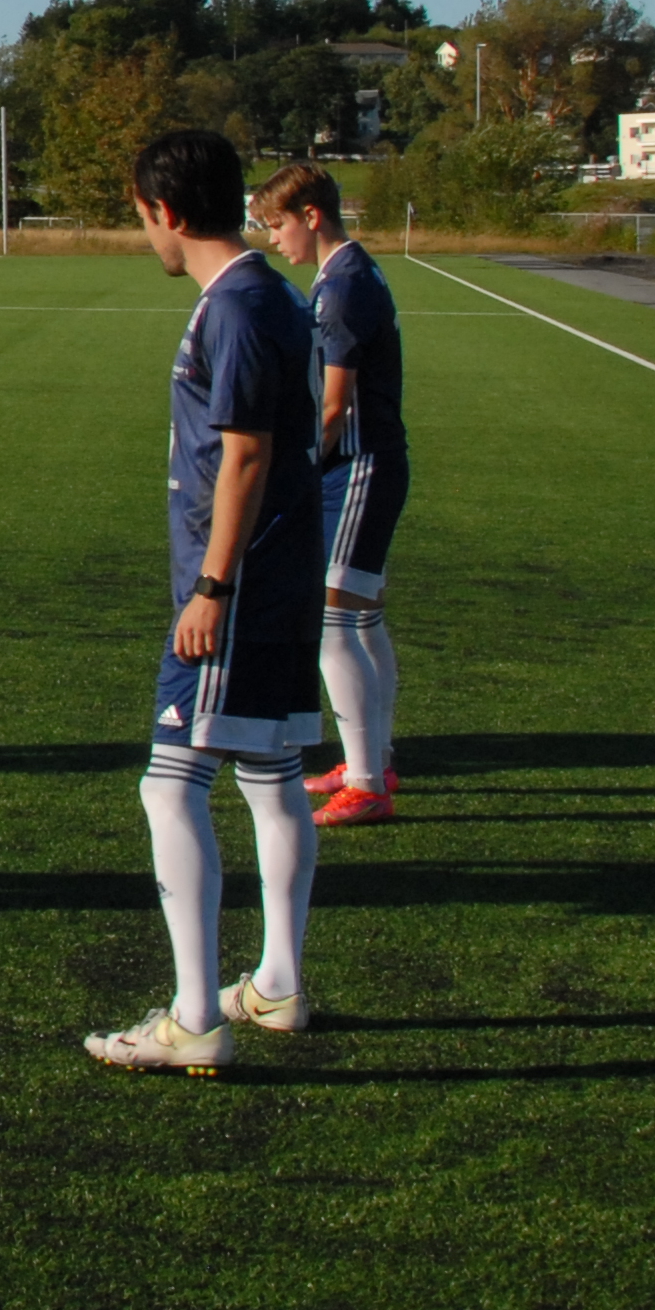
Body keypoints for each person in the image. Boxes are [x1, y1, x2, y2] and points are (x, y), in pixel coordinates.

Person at [85, 128, 324, 1075]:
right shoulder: (266, 295)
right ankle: (278, 984)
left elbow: (247, 455)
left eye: (143, 217)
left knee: (169, 782)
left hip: (241, 583)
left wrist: (213, 586)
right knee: (271, 775)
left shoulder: (238, 306)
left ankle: (194, 1018)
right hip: (279, 573)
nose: (146, 233)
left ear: (167, 212)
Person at [256, 163, 407, 826]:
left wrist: (290, 471)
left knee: (334, 620)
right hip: (370, 466)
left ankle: (368, 783)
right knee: (362, 618)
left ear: (311, 216)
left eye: (277, 225)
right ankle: (371, 760)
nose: (273, 240)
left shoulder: (342, 286)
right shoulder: (349, 273)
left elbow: (334, 405)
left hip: (357, 471)